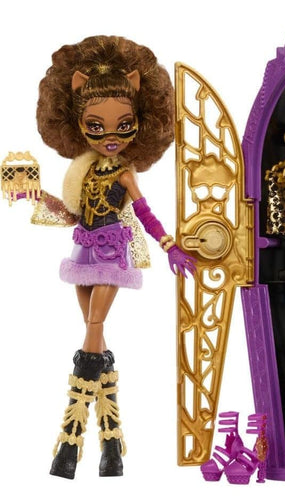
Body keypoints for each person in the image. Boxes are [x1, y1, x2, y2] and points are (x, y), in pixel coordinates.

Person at [35, 35, 195, 479]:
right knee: (97, 336)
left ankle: (69, 440)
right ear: (76, 123)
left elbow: (144, 213)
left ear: (141, 121)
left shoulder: (125, 174)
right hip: (83, 250)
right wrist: (34, 194)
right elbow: (71, 214)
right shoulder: (82, 172)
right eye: (96, 125)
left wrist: (169, 245)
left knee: (93, 327)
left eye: (124, 126)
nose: (110, 136)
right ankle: (112, 446)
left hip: (111, 252)